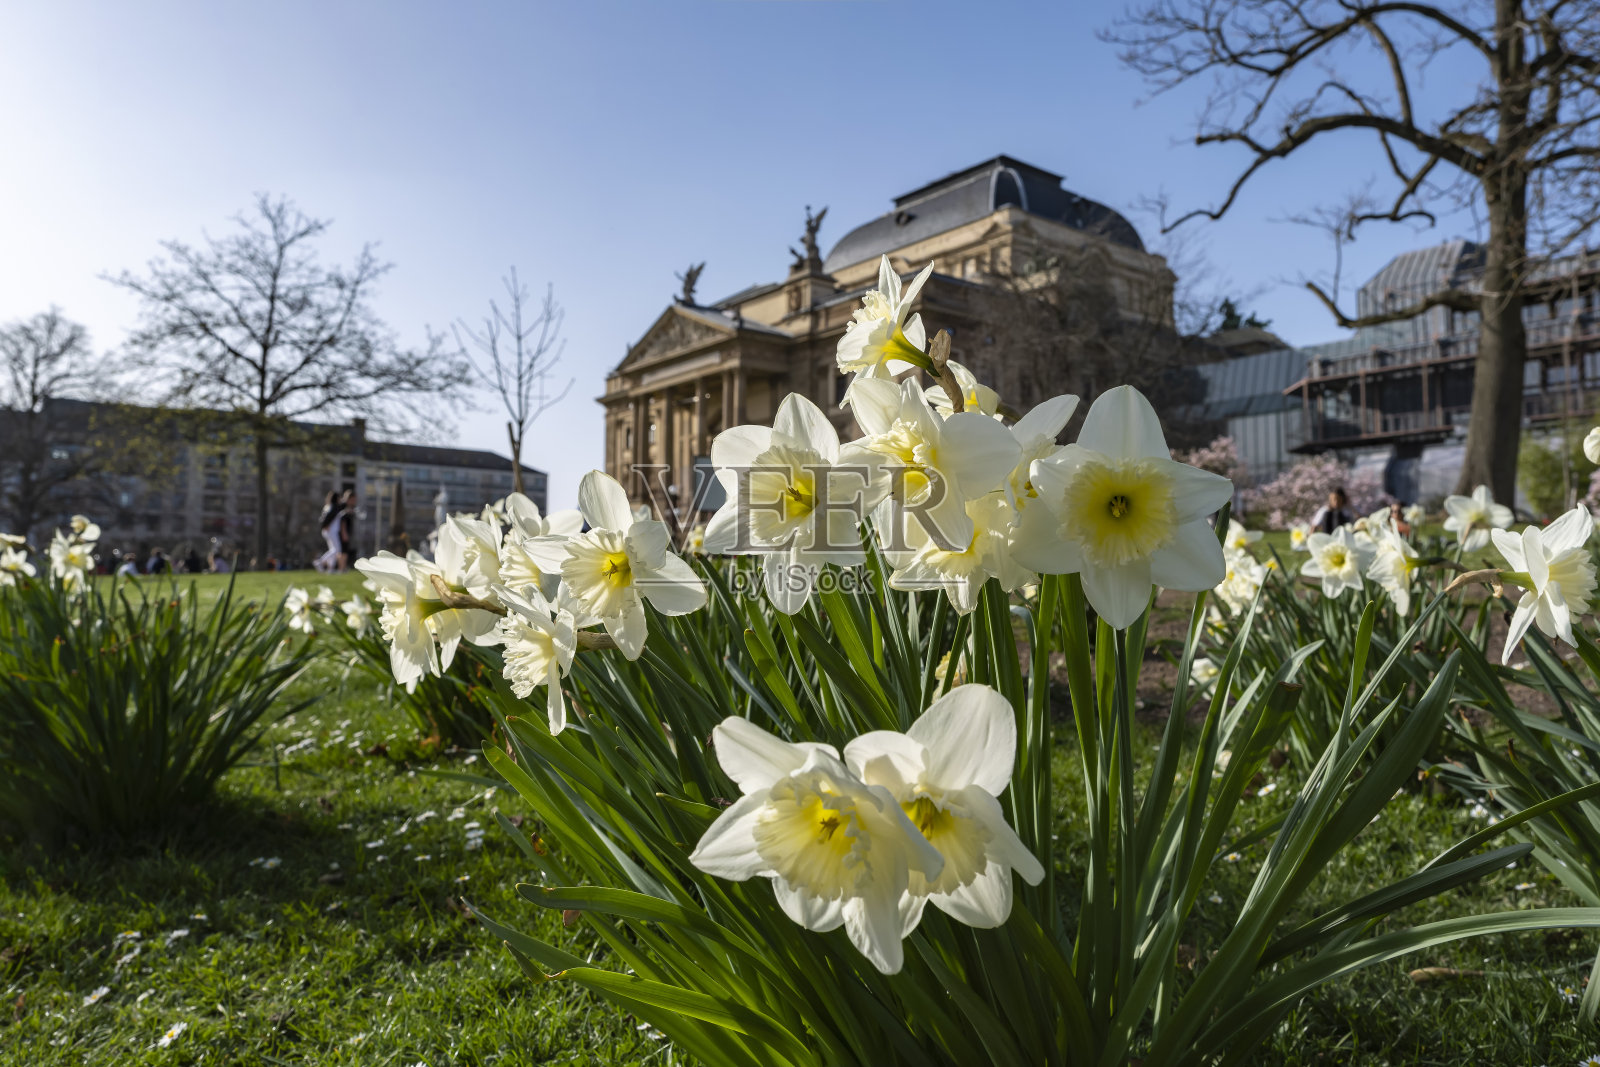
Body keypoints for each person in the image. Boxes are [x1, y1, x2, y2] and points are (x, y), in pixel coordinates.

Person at [315, 491, 343, 574]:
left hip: (328, 530)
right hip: (331, 531)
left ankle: (330, 569)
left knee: (333, 550)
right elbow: (328, 518)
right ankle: (319, 562)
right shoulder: (334, 507)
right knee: (336, 550)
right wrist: (326, 525)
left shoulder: (328, 506)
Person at [337, 489, 356, 572]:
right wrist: (344, 533)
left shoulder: (349, 508)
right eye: (353, 499)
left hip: (345, 532)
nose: (354, 501)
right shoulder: (343, 507)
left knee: (344, 551)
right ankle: (341, 568)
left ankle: (342, 568)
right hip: (343, 532)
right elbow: (342, 521)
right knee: (343, 551)